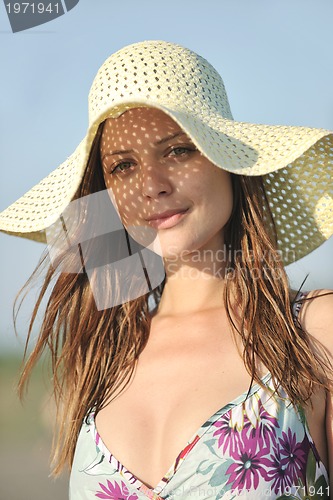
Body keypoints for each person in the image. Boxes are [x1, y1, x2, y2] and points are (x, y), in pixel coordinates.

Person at [0, 40, 332, 500]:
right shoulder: (103, 352)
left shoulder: (311, 332)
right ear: (107, 194)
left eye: (177, 151)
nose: (151, 187)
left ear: (229, 162)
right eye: (123, 167)